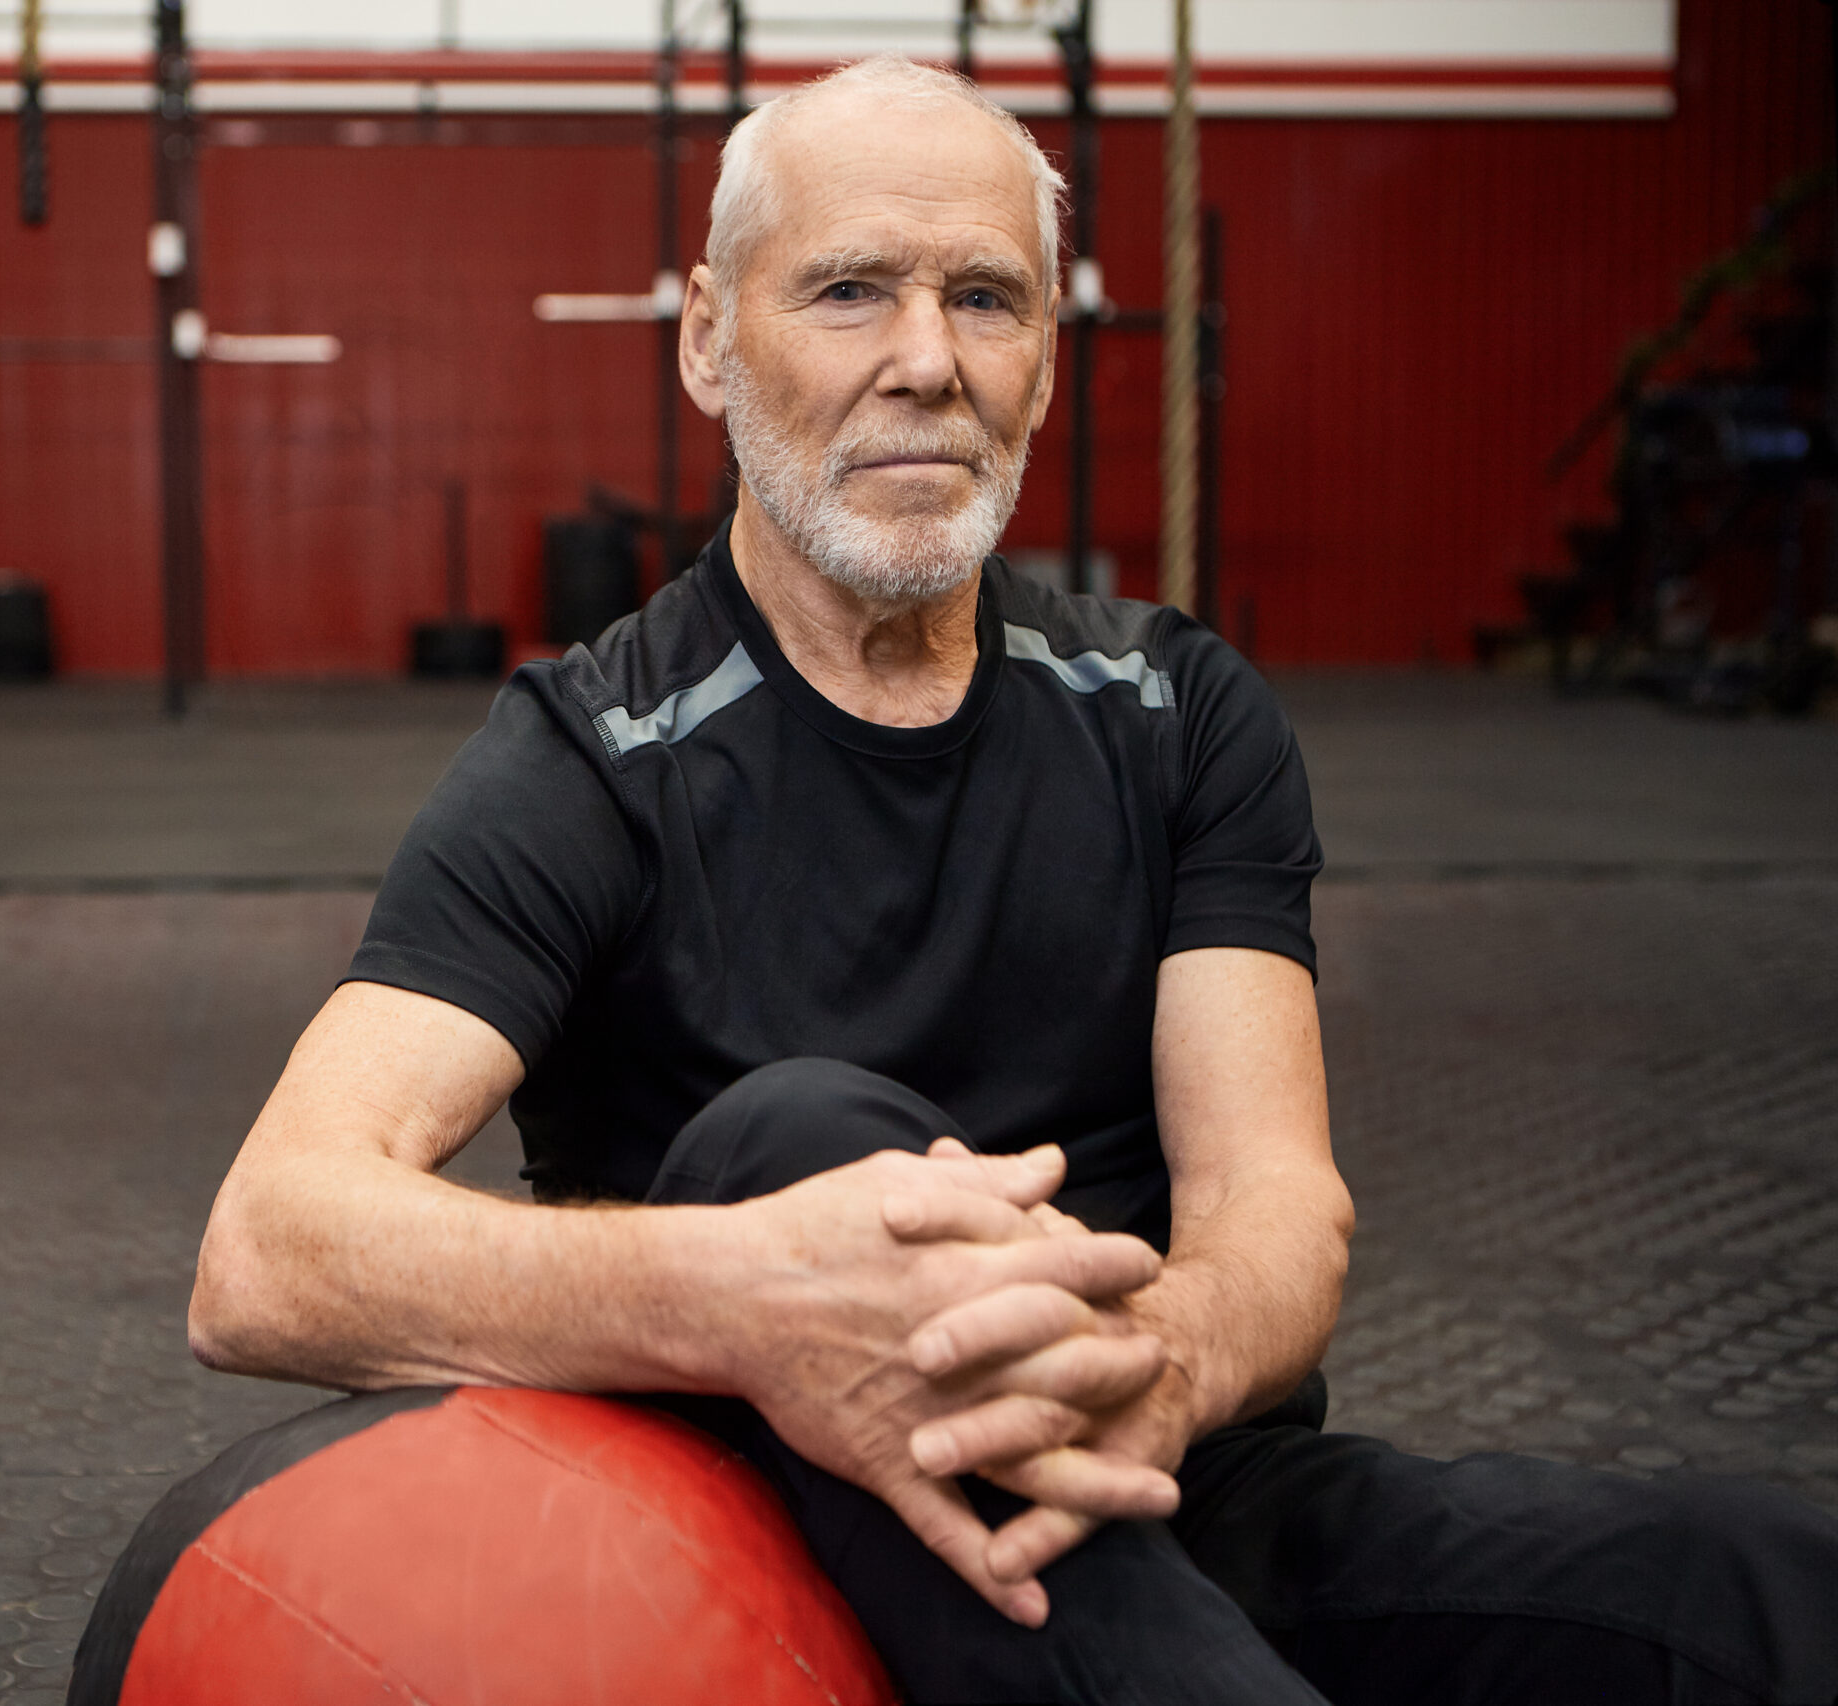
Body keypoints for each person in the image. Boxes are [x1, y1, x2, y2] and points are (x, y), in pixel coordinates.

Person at [177, 57, 1838, 1705]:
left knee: (1752, 1581)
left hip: (1168, 1486)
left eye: (987, 298)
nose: (928, 362)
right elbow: (271, 1248)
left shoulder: (1180, 710)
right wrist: (744, 1295)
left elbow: (1276, 1205)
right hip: (776, 1548)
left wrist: (1161, 1369)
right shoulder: (594, 756)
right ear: (706, 336)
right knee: (798, 1141)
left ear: (1045, 361)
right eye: (849, 292)